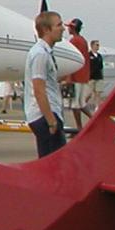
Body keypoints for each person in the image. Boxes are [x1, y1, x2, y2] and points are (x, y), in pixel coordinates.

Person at [26, 11, 68, 157]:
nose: (63, 28)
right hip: (45, 116)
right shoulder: (40, 54)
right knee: (55, 165)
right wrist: (51, 121)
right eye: (59, 25)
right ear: (46, 30)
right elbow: (39, 90)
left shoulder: (45, 52)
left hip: (47, 114)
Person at [63, 17, 94, 130]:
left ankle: (80, 127)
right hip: (82, 76)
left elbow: (70, 60)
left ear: (73, 28)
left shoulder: (74, 41)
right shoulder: (83, 40)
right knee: (80, 103)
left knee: (75, 104)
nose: (68, 29)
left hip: (75, 76)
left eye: (70, 27)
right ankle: (91, 120)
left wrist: (68, 76)